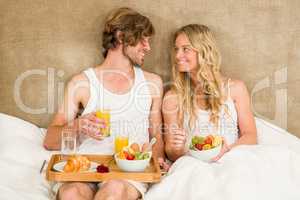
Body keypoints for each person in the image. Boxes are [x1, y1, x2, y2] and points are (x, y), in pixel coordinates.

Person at [44, 7, 165, 200]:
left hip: (128, 171)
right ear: (120, 36)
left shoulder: (152, 83)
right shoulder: (81, 83)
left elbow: (156, 134)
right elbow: (50, 141)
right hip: (86, 166)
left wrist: (158, 158)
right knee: (71, 194)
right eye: (143, 39)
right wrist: (78, 125)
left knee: (114, 191)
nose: (148, 47)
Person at [163, 24, 257, 162]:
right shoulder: (172, 97)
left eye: (185, 49)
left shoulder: (236, 88)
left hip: (231, 161)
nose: (177, 55)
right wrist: (177, 148)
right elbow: (171, 153)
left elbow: (251, 136)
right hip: (194, 165)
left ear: (204, 51)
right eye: (176, 49)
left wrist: (228, 150)